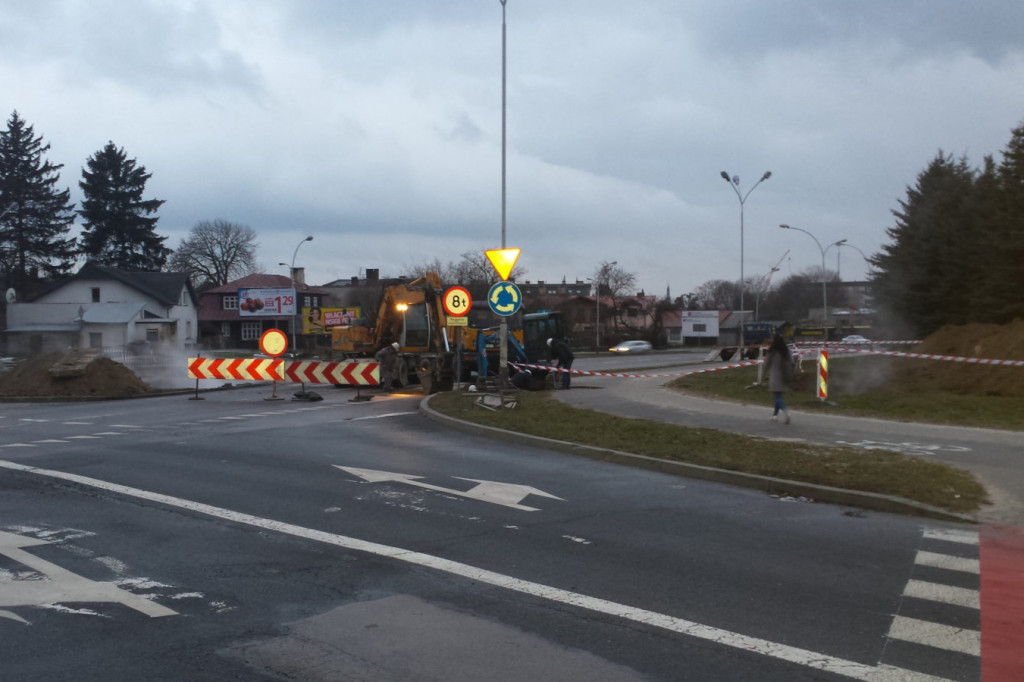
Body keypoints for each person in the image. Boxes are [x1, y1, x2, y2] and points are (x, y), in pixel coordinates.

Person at [764, 334, 792, 423]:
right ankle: (775, 415)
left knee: (777, 398)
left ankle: (786, 412)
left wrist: (765, 373)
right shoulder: (786, 351)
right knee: (779, 396)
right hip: (784, 376)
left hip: (775, 376)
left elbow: (767, 363)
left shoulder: (772, 351)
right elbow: (791, 362)